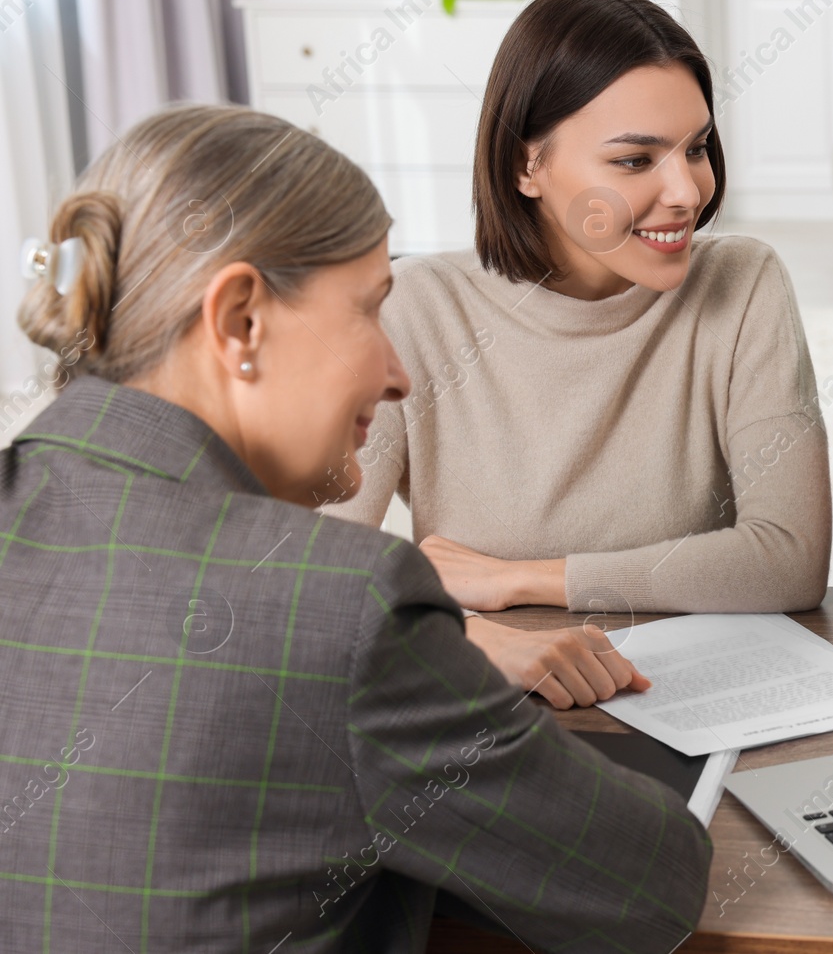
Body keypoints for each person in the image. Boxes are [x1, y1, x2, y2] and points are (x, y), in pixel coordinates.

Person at [0, 104, 711, 953]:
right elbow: (654, 887)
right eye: (371, 311)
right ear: (240, 321)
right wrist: (440, 676)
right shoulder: (345, 603)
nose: (399, 371)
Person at [323, 0, 831, 704]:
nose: (686, 191)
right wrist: (461, 634)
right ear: (526, 166)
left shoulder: (742, 284)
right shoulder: (416, 306)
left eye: (696, 148)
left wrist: (526, 577)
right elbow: (307, 570)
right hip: (487, 702)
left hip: (685, 698)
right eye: (635, 161)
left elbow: (790, 560)